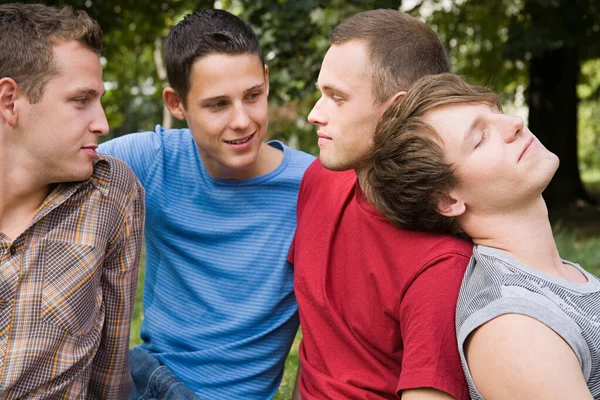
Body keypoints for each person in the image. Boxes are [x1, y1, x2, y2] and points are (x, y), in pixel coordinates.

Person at [99, 9, 315, 399]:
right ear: (176, 103)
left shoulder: (313, 187)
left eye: (253, 96)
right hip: (153, 381)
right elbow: (44, 165)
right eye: (217, 105)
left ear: (266, 80)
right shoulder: (153, 159)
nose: (242, 121)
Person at [368, 73, 600, 399]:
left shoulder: (551, 277)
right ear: (448, 199)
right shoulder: (513, 328)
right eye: (480, 138)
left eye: (497, 111)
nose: (516, 123)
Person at [289, 10, 472, 400]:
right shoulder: (319, 180)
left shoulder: (440, 264)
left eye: (336, 98)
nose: (314, 115)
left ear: (395, 110)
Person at [0, 3, 145, 399]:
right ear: (10, 101)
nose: (103, 123)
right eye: (81, 100)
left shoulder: (111, 192)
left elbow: (111, 372)